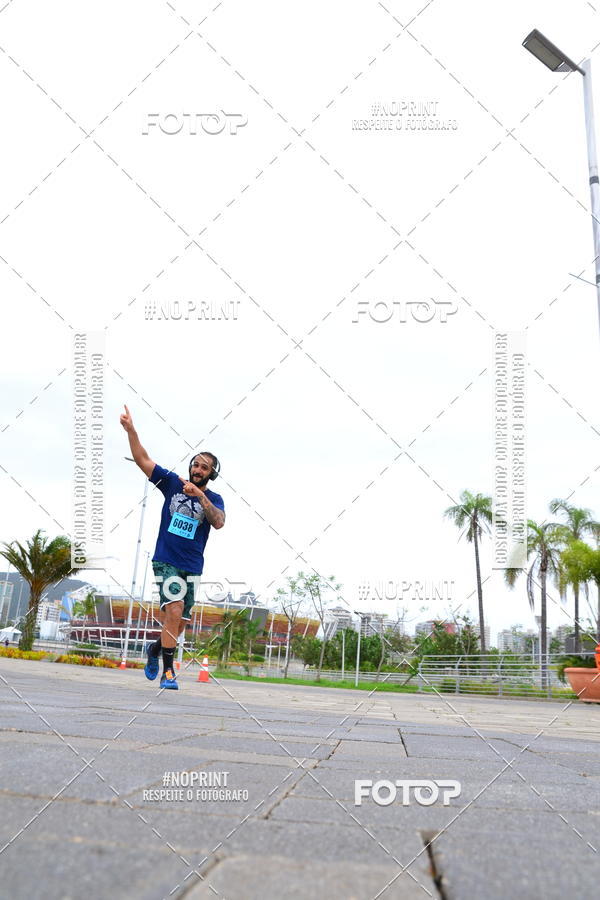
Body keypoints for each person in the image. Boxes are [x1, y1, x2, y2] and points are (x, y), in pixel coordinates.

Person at [119, 404, 225, 690]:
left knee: (179, 624)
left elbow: (218, 522)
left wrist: (200, 496)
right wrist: (131, 430)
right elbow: (142, 458)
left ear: (211, 474)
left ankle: (154, 650)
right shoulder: (171, 483)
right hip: (166, 559)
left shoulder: (214, 499)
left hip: (192, 566)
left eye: (204, 467)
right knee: (174, 610)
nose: (198, 469)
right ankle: (168, 672)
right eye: (195, 464)